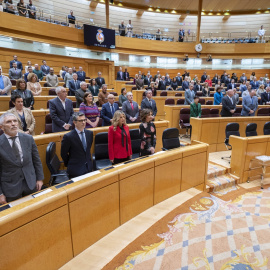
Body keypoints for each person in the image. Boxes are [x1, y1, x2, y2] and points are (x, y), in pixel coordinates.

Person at [0, 112, 43, 204]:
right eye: (9, 122)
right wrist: (0, 194)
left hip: (31, 183)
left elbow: (36, 160)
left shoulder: (28, 138)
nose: (13, 124)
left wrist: (39, 179)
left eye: (15, 121)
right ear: (2, 127)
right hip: (10, 188)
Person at [61, 112, 93, 179]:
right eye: (81, 121)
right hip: (75, 169)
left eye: (84, 120)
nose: (83, 122)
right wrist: (71, 164)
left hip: (88, 168)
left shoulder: (89, 133)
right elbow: (63, 153)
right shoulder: (68, 137)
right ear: (74, 122)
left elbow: (88, 150)